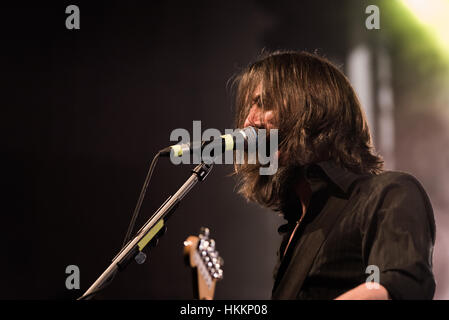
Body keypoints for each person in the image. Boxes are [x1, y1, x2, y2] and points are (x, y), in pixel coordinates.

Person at [232, 50, 436, 300]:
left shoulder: (389, 192)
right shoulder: (296, 231)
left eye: (262, 102)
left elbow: (401, 285)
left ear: (311, 104)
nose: (247, 122)